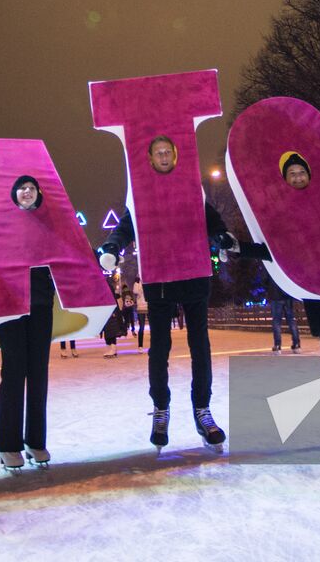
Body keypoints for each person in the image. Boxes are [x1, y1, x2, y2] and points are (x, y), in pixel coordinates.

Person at [97, 135, 229, 452]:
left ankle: (202, 410)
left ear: (175, 155)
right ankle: (161, 408)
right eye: (158, 152)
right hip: (160, 280)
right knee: (159, 348)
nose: (164, 156)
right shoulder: (143, 194)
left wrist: (223, 237)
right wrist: (113, 246)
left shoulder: (188, 188)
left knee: (201, 346)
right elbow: (126, 225)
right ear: (150, 159)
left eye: (168, 151)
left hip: (194, 276)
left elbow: (212, 220)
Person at [231, 154, 320, 437]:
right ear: (286, 180)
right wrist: (241, 248)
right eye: (291, 174)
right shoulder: (285, 216)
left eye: (300, 172)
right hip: (318, 292)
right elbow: (274, 249)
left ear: (309, 174)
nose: (297, 177)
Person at [0, 175, 56, 471]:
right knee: (14, 373)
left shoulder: (50, 225)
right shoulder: (0, 224)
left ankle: (36, 440)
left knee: (39, 374)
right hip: (10, 305)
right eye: (22, 188)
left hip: (41, 305)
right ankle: (8, 444)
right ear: (13, 193)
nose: (27, 192)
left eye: (31, 188)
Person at [267, 277, 301, 352]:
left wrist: (269, 289)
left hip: (275, 295)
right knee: (291, 320)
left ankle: (277, 345)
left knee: (276, 321)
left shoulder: (270, 265)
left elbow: (264, 279)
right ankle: (296, 344)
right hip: (287, 294)